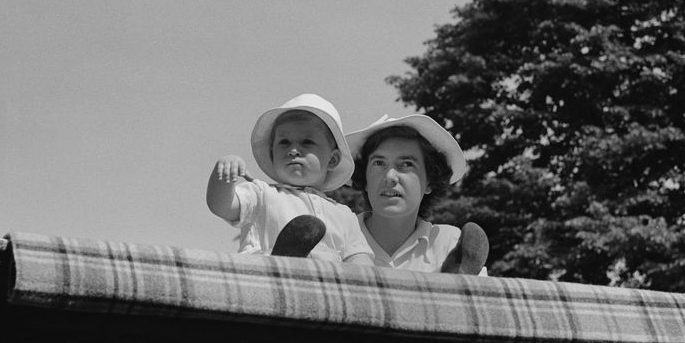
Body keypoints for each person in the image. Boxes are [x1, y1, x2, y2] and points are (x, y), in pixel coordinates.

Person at [207, 94, 373, 265]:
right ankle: (283, 263)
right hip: (265, 276)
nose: (293, 150)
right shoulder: (262, 194)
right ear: (273, 154)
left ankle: (303, 263)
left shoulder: (344, 215)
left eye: (307, 142)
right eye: (284, 142)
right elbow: (221, 206)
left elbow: (360, 258)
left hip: (326, 280)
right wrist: (225, 173)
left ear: (332, 159)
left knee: (332, 260)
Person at [345, 113, 488, 274]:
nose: (390, 176)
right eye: (379, 163)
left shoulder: (450, 243)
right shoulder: (339, 234)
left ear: (429, 182)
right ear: (364, 178)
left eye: (407, 164)